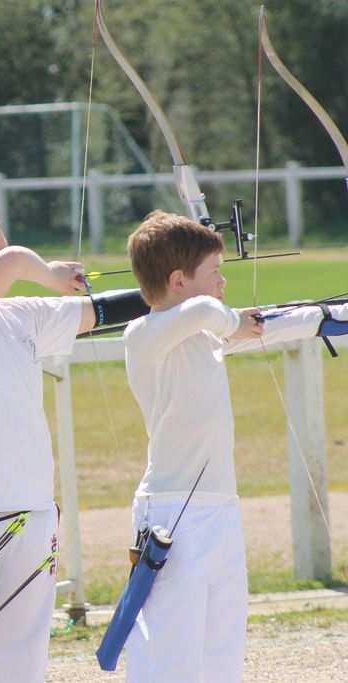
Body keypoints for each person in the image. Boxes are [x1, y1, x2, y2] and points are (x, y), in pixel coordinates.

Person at [0, 210, 149, 682]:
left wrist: (173, 293)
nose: (12, 261)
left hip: (32, 513)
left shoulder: (17, 314)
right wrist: (50, 273)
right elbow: (18, 260)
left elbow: (99, 313)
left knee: (21, 657)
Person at [122, 209, 348, 682]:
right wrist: (230, 323)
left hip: (219, 510)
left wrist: (330, 316)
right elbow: (207, 312)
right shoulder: (143, 335)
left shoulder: (207, 335)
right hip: (169, 514)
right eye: (216, 273)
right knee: (168, 651)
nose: (223, 284)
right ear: (179, 280)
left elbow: (278, 323)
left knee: (222, 649)